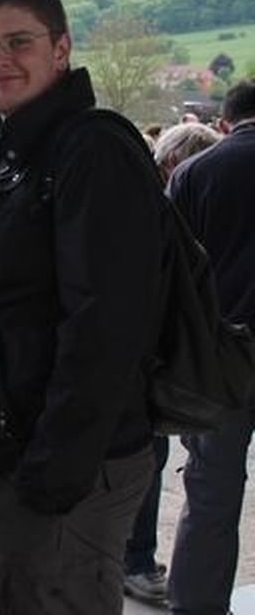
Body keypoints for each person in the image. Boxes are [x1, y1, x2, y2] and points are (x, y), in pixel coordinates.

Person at [0, 0, 165, 613]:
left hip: (62, 466)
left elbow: (107, 323)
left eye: (17, 42)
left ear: (61, 48)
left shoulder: (93, 149)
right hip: (2, 455)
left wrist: (54, 468)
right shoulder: (10, 151)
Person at [120, 120, 222, 606]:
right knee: (145, 459)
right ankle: (135, 561)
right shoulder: (149, 204)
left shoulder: (152, 200)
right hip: (144, 360)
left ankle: (134, 559)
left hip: (148, 356)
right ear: (173, 162)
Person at [166, 80, 255, 615]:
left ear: (223, 123)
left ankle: (197, 605)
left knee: (211, 494)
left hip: (218, 357)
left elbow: (169, 274)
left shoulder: (194, 173)